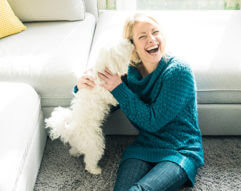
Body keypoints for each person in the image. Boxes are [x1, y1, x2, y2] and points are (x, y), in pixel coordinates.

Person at [76, 13, 204, 191]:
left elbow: (152, 122)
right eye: (142, 36)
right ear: (132, 46)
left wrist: (118, 88)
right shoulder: (129, 73)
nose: (151, 39)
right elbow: (106, 102)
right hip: (144, 145)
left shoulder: (179, 72)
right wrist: (84, 85)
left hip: (180, 149)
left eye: (155, 32)